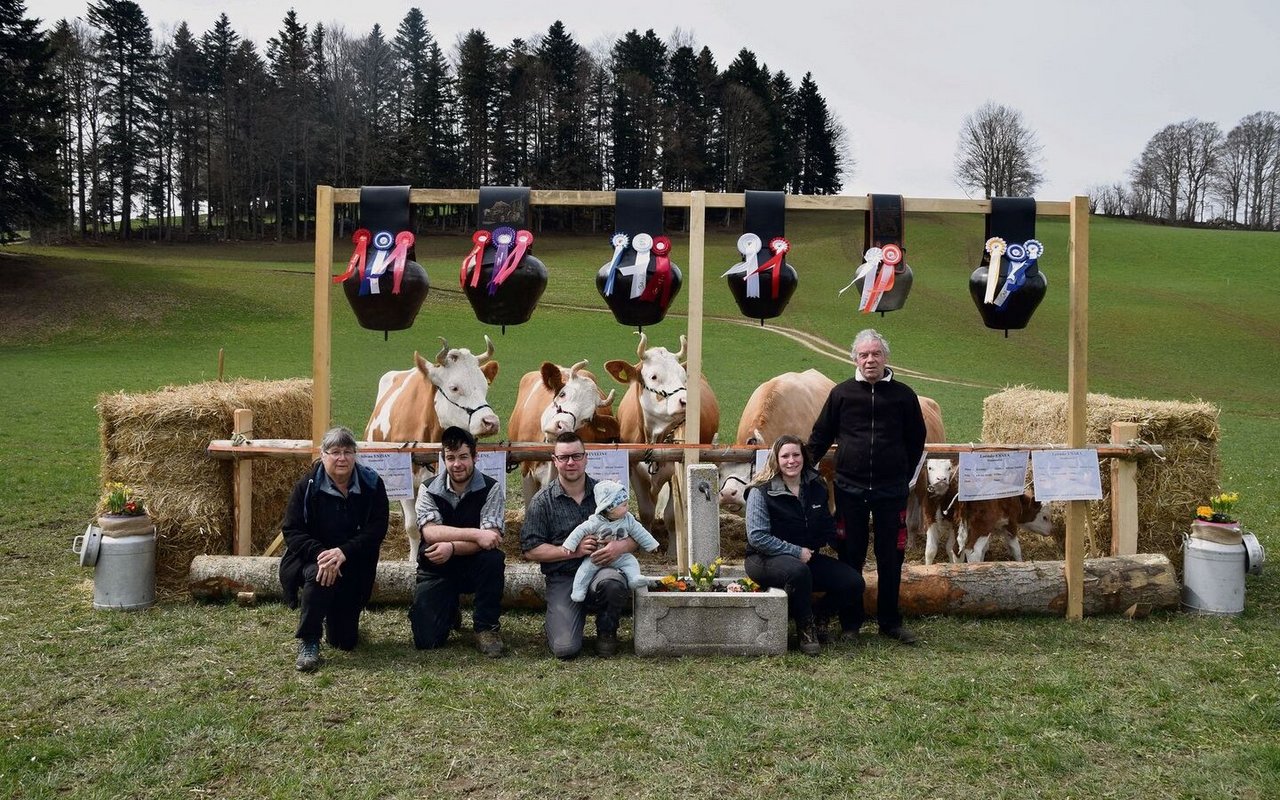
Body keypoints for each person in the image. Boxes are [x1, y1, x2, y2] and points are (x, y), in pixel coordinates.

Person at [809, 329, 927, 645]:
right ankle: (851, 624)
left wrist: (904, 477)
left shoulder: (904, 395)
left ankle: (890, 622)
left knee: (892, 556)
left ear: (885, 357)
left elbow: (917, 440)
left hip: (892, 491)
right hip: (849, 489)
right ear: (855, 359)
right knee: (851, 555)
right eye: (864, 355)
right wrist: (803, 468)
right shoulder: (842, 394)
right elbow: (820, 436)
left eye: (875, 354)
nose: (870, 360)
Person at [279, 426, 389, 672]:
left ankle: (333, 613)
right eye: (335, 452)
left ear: (355, 454)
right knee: (321, 577)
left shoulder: (372, 484)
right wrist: (323, 556)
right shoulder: (306, 487)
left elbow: (377, 529)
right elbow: (292, 530)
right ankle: (309, 641)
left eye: (348, 452)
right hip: (312, 560)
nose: (342, 458)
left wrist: (343, 552)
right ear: (323, 454)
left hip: (353, 562)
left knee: (344, 641)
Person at [744, 434, 863, 655]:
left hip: (805, 557)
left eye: (796, 455)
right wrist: (795, 551)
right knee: (798, 572)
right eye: (785, 456)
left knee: (854, 582)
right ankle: (805, 628)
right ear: (775, 460)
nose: (791, 461)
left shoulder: (816, 487)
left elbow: (827, 525)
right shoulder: (760, 491)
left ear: (804, 457)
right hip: (764, 559)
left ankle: (820, 616)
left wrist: (849, 547)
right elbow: (757, 536)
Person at [521, 431, 637, 658]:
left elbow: (636, 535)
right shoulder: (542, 501)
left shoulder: (606, 493)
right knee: (565, 649)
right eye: (563, 458)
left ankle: (606, 631)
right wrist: (572, 552)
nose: (570, 462)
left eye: (576, 456)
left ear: (586, 458)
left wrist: (619, 547)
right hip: (563, 578)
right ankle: (562, 618)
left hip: (602, 572)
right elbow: (530, 549)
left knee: (613, 582)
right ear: (555, 461)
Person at [408, 426, 506, 657]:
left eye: (463, 457)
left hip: (475, 566)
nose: (457, 464)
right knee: (426, 640)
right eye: (450, 458)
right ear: (443, 459)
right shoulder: (428, 488)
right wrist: (476, 535)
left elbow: (491, 539)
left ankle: (486, 627)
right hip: (438, 567)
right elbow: (431, 533)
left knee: (493, 559)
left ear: (474, 456)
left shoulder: (492, 488)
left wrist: (451, 547)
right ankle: (449, 607)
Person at [561, 480, 660, 601]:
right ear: (609, 508)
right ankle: (578, 591)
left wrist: (651, 545)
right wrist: (570, 544)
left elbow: (640, 532)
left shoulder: (628, 519)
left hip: (621, 557)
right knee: (584, 570)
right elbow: (580, 530)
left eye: (627, 503)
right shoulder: (595, 521)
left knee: (632, 562)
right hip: (597, 557)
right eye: (623, 505)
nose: (627, 506)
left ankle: (634, 579)